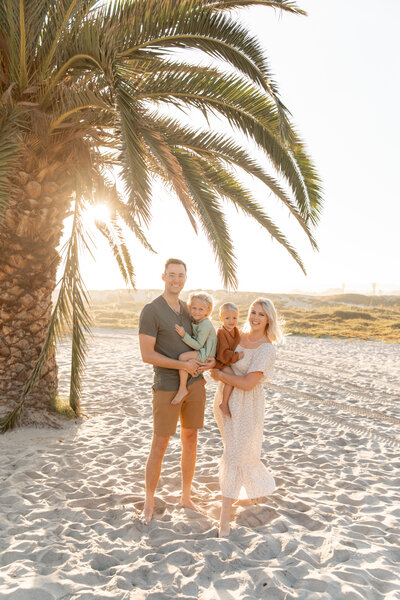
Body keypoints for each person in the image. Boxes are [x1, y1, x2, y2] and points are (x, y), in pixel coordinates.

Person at [138, 258, 213, 524]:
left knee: (190, 439)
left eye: (180, 275)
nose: (176, 280)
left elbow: (203, 343)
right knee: (160, 444)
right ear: (163, 277)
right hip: (167, 386)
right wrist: (181, 363)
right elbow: (147, 355)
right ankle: (148, 502)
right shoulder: (152, 310)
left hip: (195, 384)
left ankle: (185, 496)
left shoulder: (188, 309)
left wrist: (207, 361)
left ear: (185, 278)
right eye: (171, 275)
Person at [211, 298, 283, 537]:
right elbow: (218, 361)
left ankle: (224, 517)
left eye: (261, 314)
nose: (255, 317)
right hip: (225, 404)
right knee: (233, 451)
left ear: (268, 319)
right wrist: (217, 371)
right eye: (253, 312)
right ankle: (239, 498)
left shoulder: (266, 348)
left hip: (248, 408)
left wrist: (221, 374)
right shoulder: (237, 336)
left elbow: (248, 384)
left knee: (236, 454)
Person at [172, 292, 217, 405]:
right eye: (194, 308)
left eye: (201, 309)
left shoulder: (205, 324)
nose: (196, 311)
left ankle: (182, 388)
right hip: (202, 351)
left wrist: (183, 335)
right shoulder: (198, 321)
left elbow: (197, 345)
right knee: (190, 360)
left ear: (208, 311)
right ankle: (194, 372)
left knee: (182, 357)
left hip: (206, 354)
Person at [214, 302, 243, 418]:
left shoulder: (235, 330)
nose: (231, 321)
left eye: (234, 318)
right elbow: (223, 352)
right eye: (227, 318)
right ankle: (224, 403)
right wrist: (236, 356)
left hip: (227, 361)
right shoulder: (221, 332)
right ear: (221, 318)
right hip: (221, 362)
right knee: (231, 379)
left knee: (232, 377)